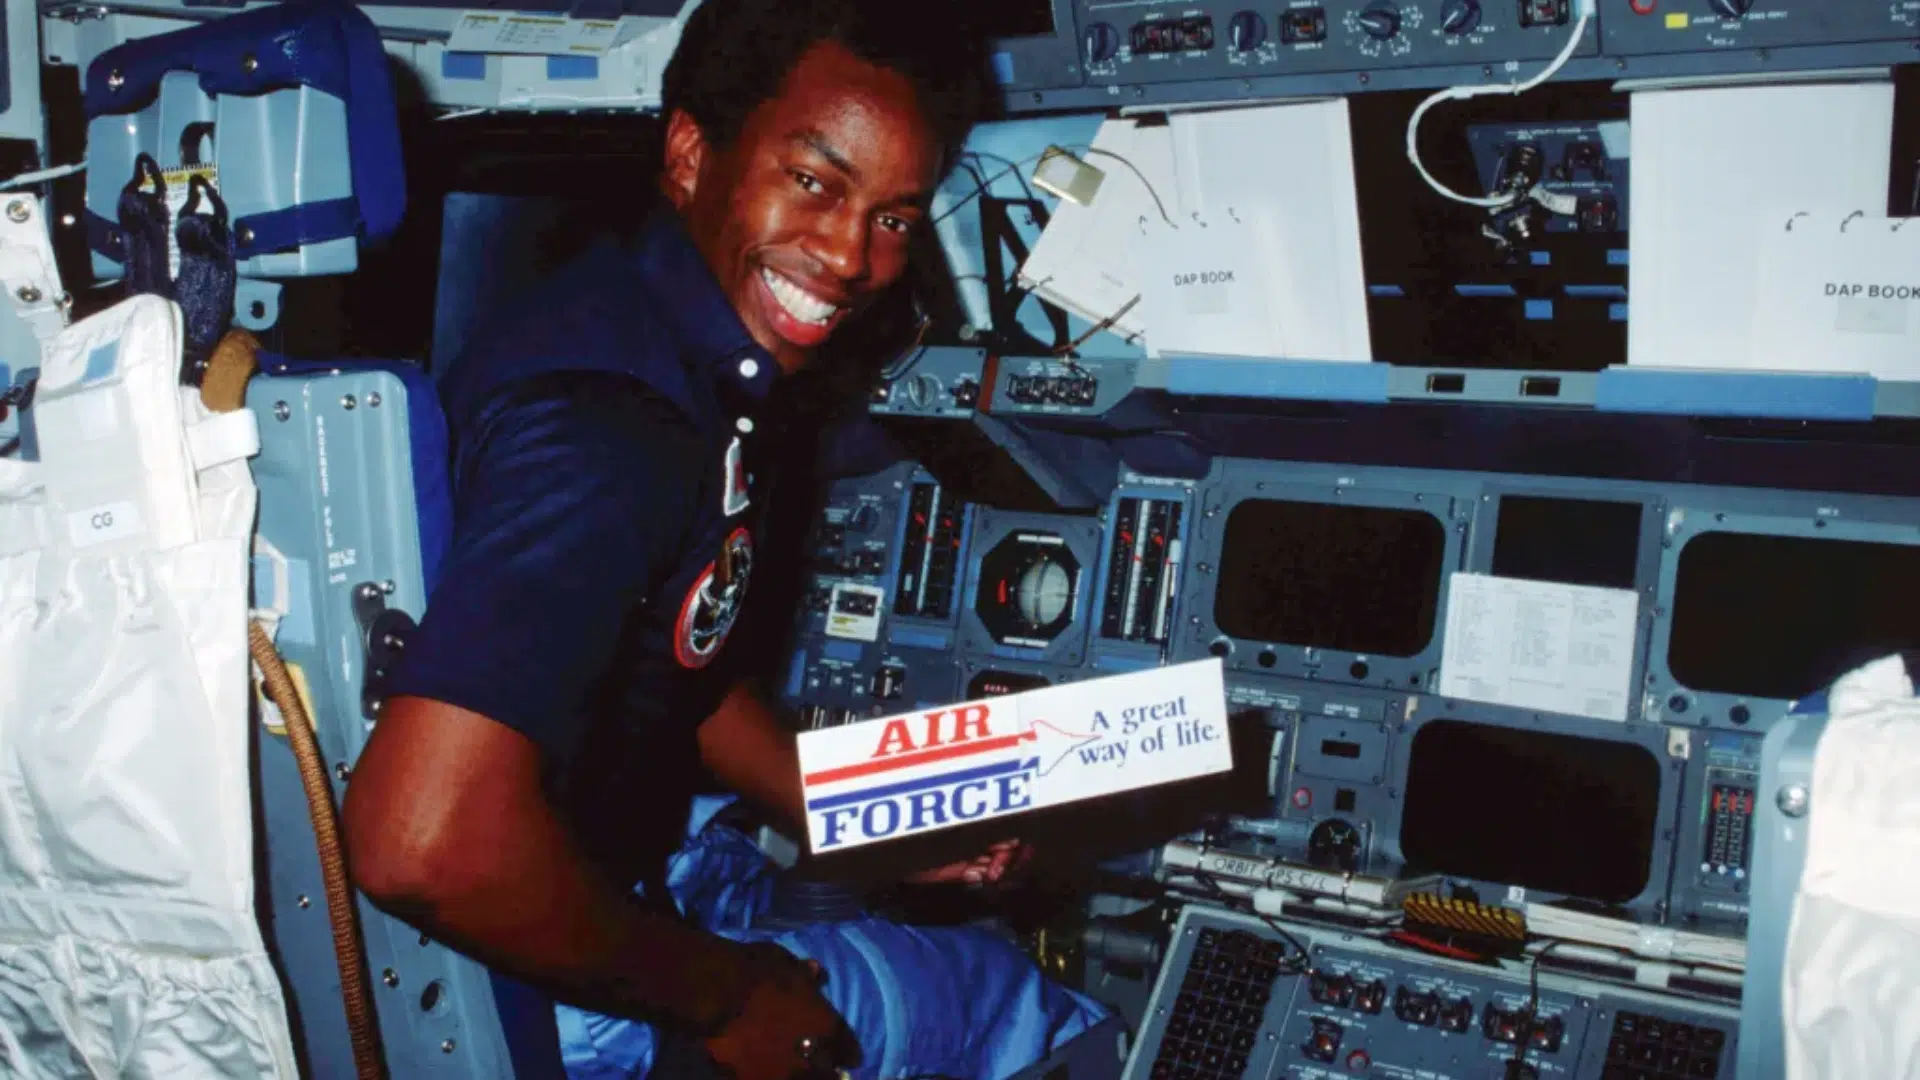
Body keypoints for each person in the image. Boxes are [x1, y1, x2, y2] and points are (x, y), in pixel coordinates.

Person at [339, 1, 1013, 1076]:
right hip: (533, 977)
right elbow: (422, 839)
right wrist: (728, 999)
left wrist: (862, 811)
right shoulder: (616, 431)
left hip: (620, 863)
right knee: (1007, 1000)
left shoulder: (648, 334)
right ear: (694, 155)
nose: (851, 257)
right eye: (815, 181)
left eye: (894, 216)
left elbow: (658, 657)